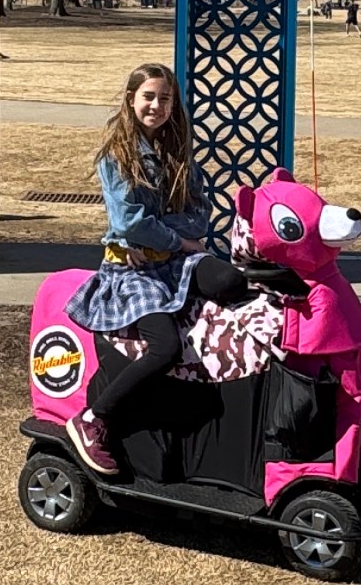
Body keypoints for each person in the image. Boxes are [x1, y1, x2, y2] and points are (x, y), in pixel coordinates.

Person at [58, 63, 245, 476]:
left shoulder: (178, 150)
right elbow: (127, 223)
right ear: (131, 100)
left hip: (173, 260)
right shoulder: (117, 155)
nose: (156, 106)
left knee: (233, 283)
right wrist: (171, 238)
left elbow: (200, 215)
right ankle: (94, 420)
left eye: (164, 98)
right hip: (133, 272)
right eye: (148, 97)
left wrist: (160, 236)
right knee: (164, 347)